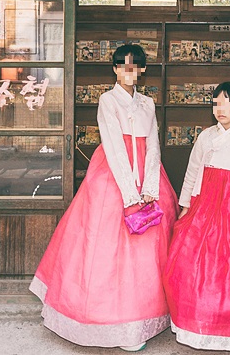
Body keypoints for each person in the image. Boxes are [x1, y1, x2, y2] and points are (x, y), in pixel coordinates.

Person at [30, 44, 178, 350]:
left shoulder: (148, 104)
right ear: (114, 69)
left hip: (147, 175)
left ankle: (141, 319)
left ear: (142, 69)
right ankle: (107, 320)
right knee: (104, 246)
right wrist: (129, 193)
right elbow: (112, 145)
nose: (129, 71)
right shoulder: (108, 100)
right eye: (123, 66)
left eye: (135, 66)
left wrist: (149, 187)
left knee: (146, 250)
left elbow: (154, 146)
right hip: (113, 173)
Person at [163, 82, 230, 351]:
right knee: (191, 256)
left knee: (227, 261)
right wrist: (185, 206)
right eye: (216, 103)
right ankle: (192, 320)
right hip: (203, 202)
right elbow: (192, 171)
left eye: (228, 103)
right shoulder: (205, 136)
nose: (220, 109)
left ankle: (226, 324)